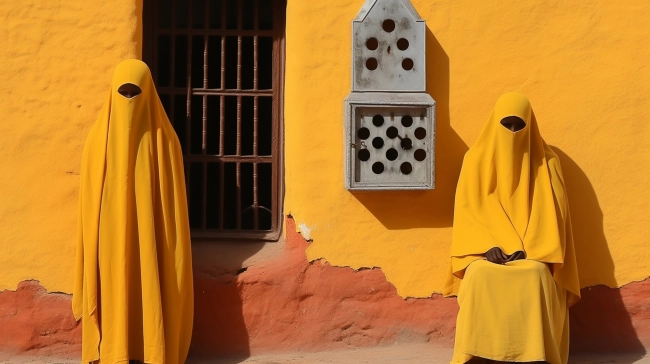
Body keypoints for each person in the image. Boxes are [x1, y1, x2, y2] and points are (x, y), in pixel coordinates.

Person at [443, 92, 580, 364]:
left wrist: (527, 250)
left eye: (520, 125)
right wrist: (487, 247)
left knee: (537, 275)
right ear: (496, 123)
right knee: (479, 274)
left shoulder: (547, 163)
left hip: (534, 254)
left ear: (531, 124)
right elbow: (469, 212)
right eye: (507, 124)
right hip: (485, 253)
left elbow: (553, 219)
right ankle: (477, 354)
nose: (514, 132)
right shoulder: (475, 160)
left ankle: (535, 354)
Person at [73, 59, 194, 364]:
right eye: (123, 92)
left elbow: (172, 211)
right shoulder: (95, 143)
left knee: (150, 280)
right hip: (108, 238)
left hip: (153, 238)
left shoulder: (166, 141)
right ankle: (114, 349)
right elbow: (89, 206)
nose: (129, 99)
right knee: (113, 286)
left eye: (135, 92)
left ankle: (151, 348)